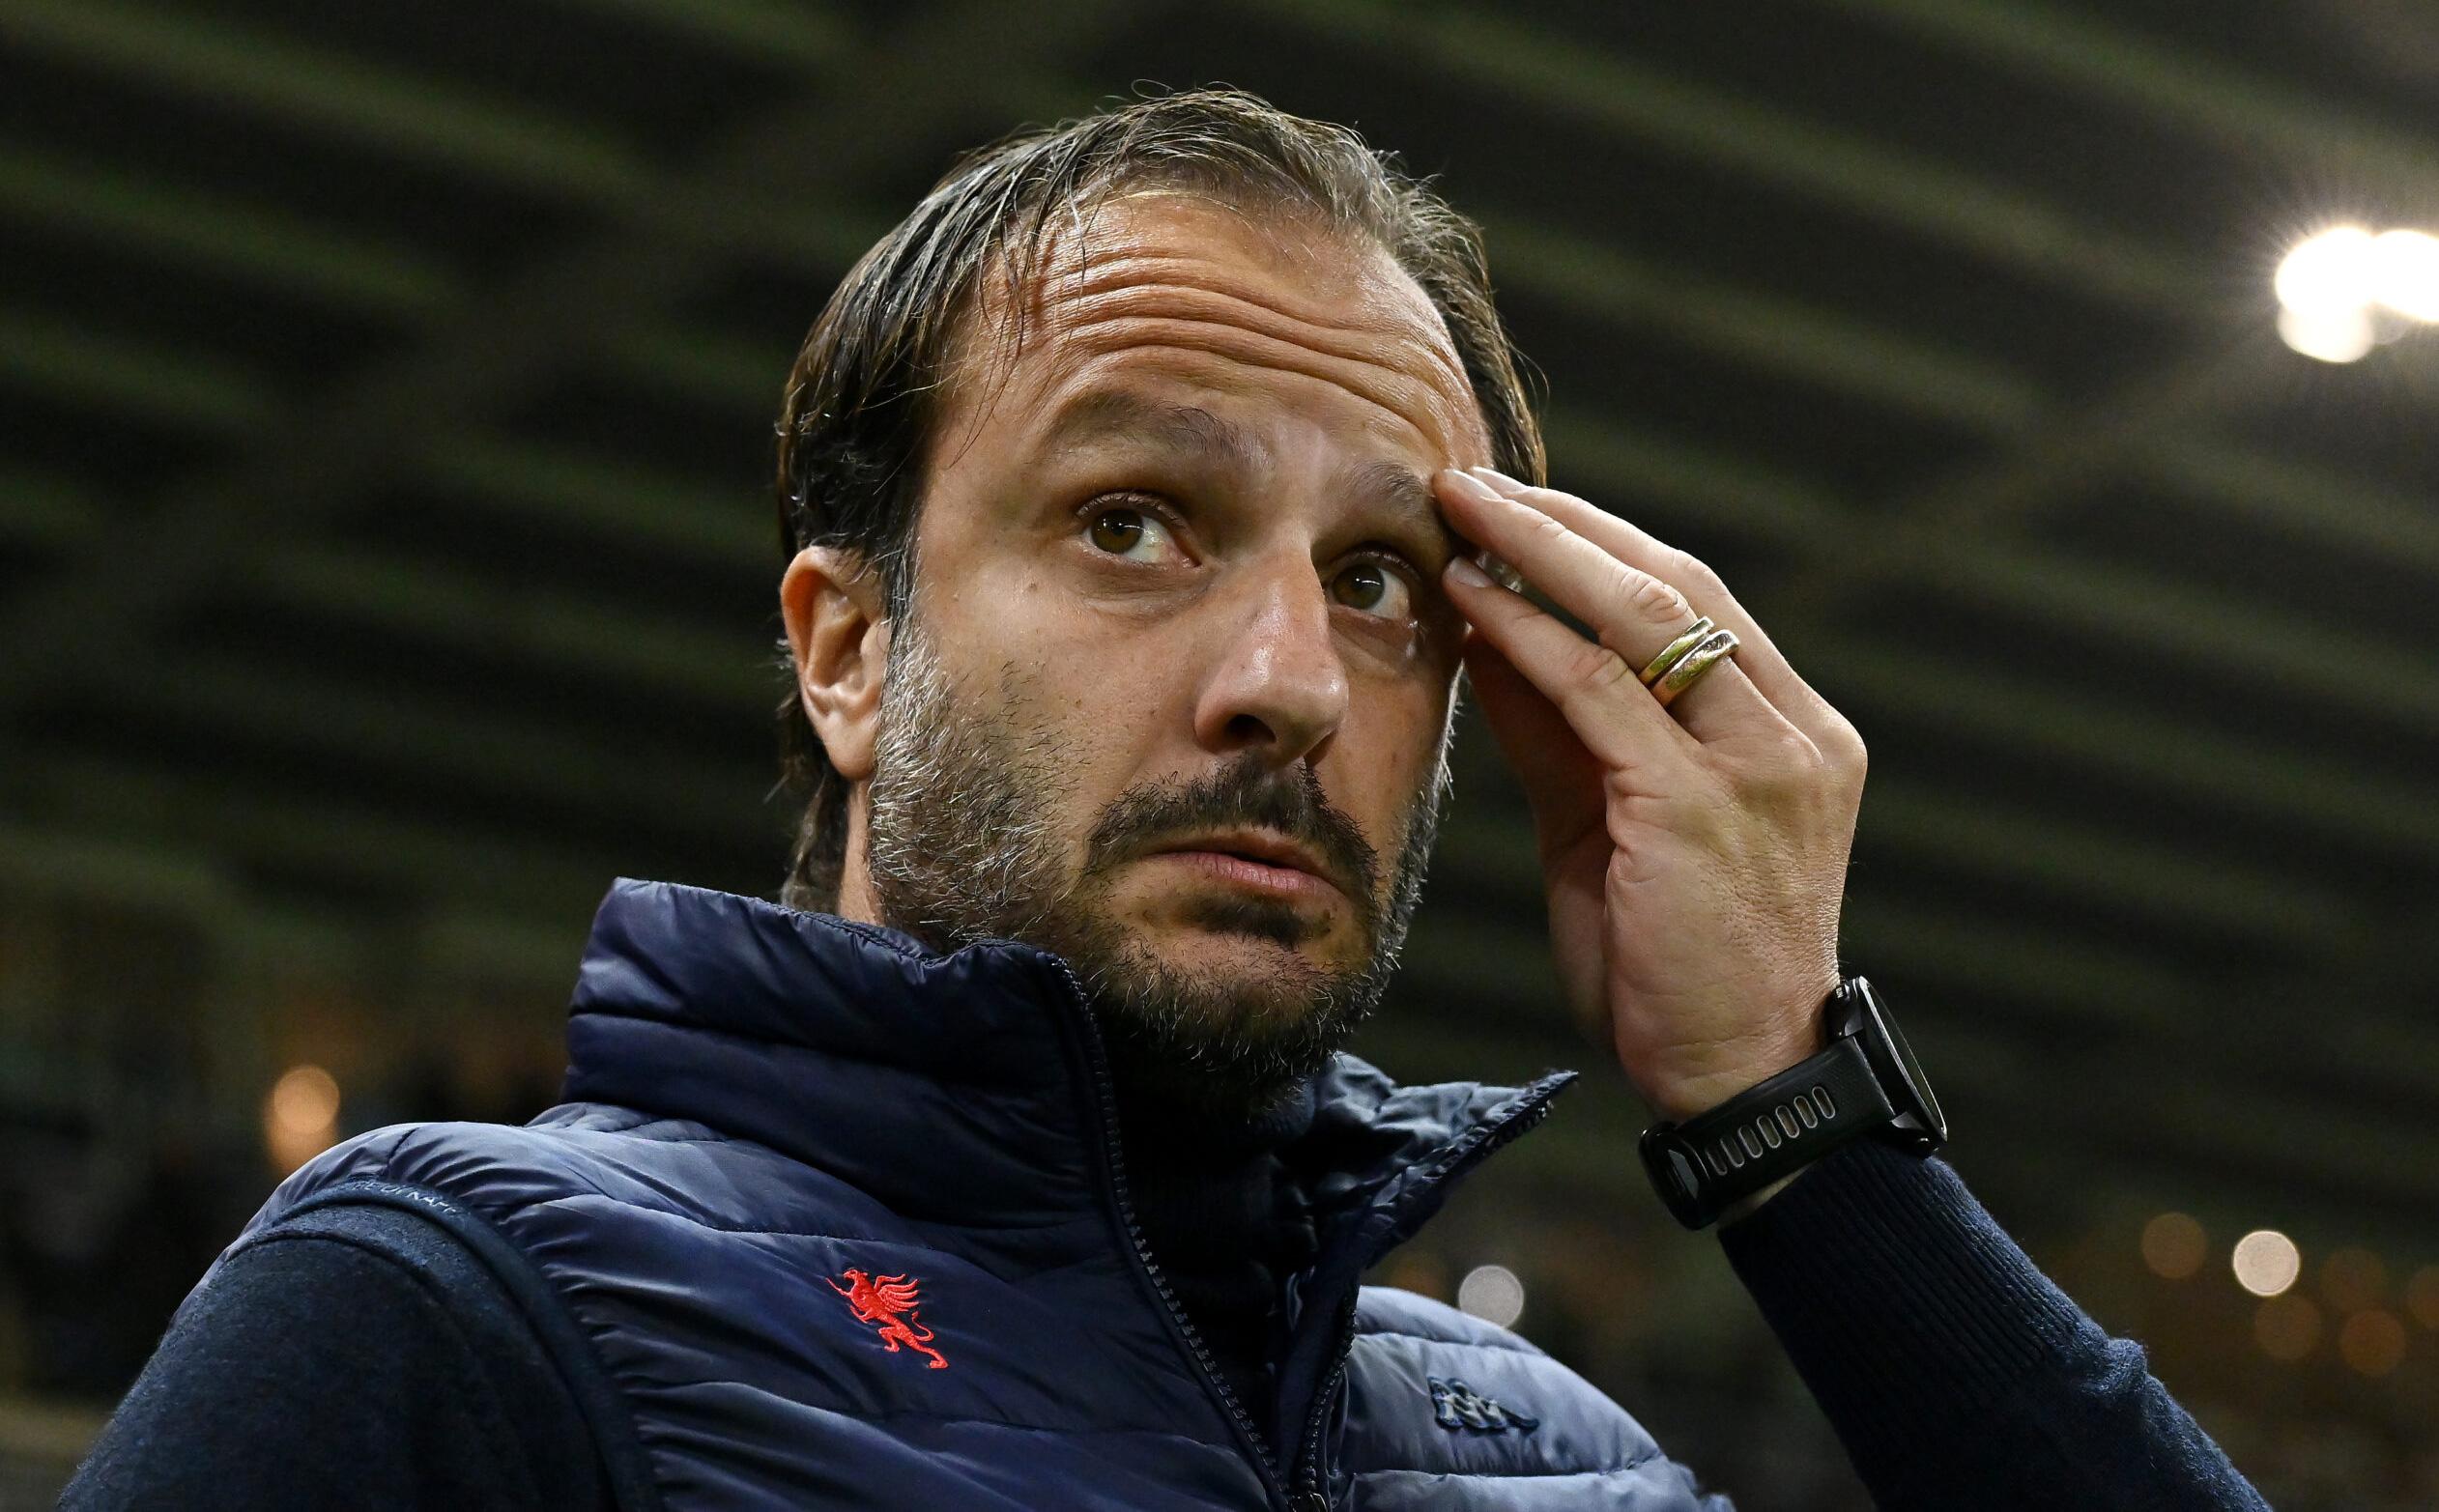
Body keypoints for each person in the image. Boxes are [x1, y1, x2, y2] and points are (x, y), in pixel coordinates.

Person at [65, 89, 2270, 1512]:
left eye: (1382, 578)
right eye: (1132, 522)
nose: (1288, 681)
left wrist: (1795, 1123)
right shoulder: (457, 1309)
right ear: (848, 649)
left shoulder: (1551, 1461)